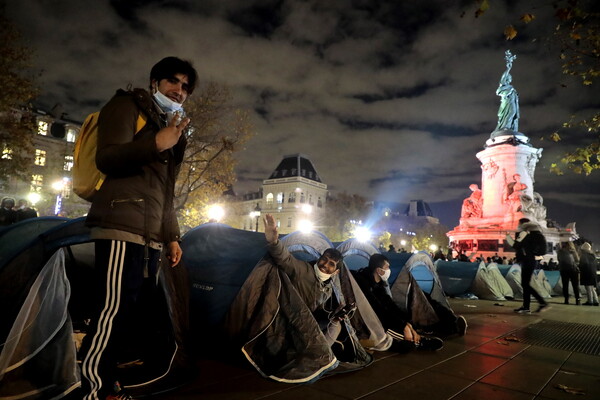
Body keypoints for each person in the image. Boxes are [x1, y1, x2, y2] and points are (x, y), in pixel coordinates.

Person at [80, 56, 197, 400]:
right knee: (111, 310)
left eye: (185, 87)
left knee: (129, 313)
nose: (179, 91)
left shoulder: (171, 126)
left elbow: (166, 190)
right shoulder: (125, 105)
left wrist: (171, 235)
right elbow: (108, 158)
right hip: (120, 224)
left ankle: (108, 380)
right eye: (173, 82)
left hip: (150, 236)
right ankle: (93, 389)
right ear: (155, 83)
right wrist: (156, 143)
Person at [353, 254, 463, 343]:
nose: (389, 270)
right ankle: (419, 342)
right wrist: (403, 326)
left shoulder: (380, 285)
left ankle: (449, 324)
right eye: (387, 267)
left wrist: (406, 323)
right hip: (371, 319)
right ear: (379, 270)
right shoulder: (364, 284)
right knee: (395, 330)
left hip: (383, 315)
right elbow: (378, 308)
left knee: (411, 315)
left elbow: (390, 304)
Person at [508, 218, 549, 314]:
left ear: (524, 224)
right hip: (531, 259)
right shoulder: (538, 234)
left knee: (525, 284)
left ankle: (540, 303)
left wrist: (508, 238)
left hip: (528, 260)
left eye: (520, 224)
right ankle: (527, 306)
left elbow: (517, 246)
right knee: (525, 284)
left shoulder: (527, 234)